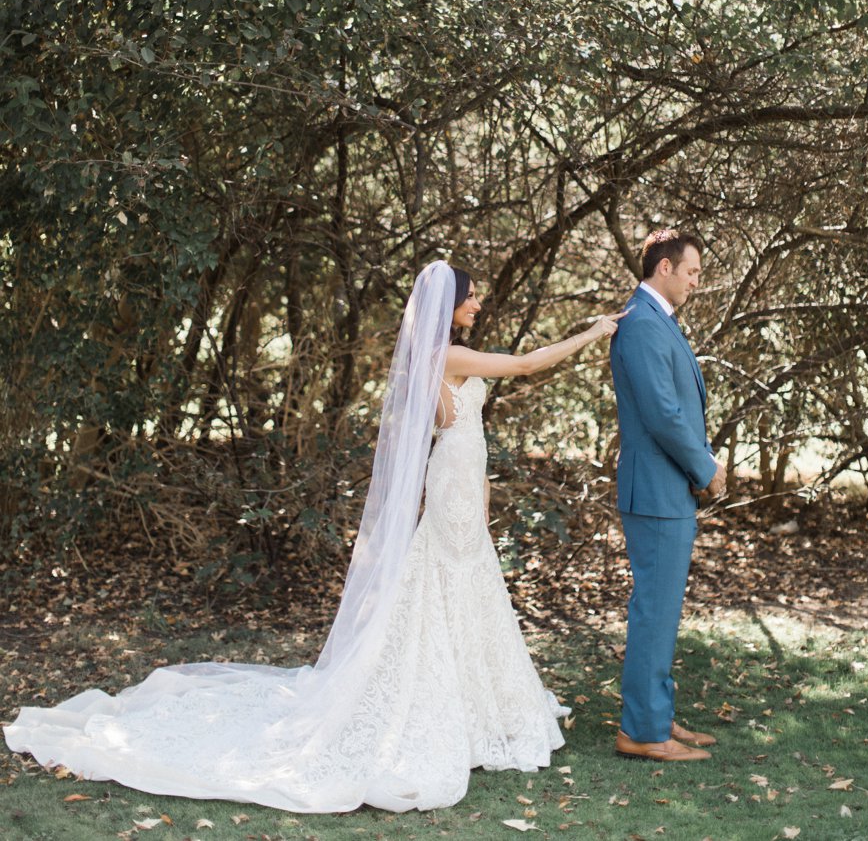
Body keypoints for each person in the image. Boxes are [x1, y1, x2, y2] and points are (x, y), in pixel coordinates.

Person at [4, 260, 623, 813]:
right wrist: (593, 332)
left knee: (465, 586)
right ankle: (450, 710)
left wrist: (483, 496)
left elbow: (472, 436)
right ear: (447, 305)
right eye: (471, 296)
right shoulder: (445, 357)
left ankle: (476, 707)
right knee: (442, 584)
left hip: (461, 481)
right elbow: (523, 365)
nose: (478, 303)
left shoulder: (442, 356)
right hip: (452, 483)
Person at [609, 229, 726, 763]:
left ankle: (656, 716)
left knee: (661, 610)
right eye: (693, 272)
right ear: (664, 268)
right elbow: (661, 413)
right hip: (656, 489)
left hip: (666, 489)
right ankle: (643, 733)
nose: (696, 282)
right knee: (654, 612)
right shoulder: (640, 325)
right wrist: (706, 467)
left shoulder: (656, 321)